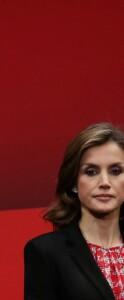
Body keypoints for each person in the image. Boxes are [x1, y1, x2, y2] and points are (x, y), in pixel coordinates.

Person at [24, 122, 124, 300]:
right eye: (91, 171)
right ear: (74, 183)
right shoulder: (45, 252)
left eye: (115, 171)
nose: (105, 182)